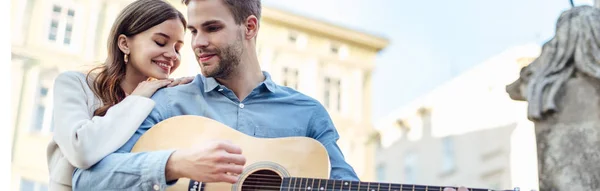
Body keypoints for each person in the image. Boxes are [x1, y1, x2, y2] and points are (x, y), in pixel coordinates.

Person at [70, 1, 470, 191]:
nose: (196, 44)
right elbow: (89, 180)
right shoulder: (167, 103)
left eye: (211, 28)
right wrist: (176, 163)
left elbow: (346, 185)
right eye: (192, 31)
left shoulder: (307, 114)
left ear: (250, 27)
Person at [45, 0, 193, 190]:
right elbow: (81, 150)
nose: (172, 54)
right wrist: (137, 99)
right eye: (160, 42)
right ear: (124, 44)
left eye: (178, 48)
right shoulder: (74, 84)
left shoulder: (163, 101)